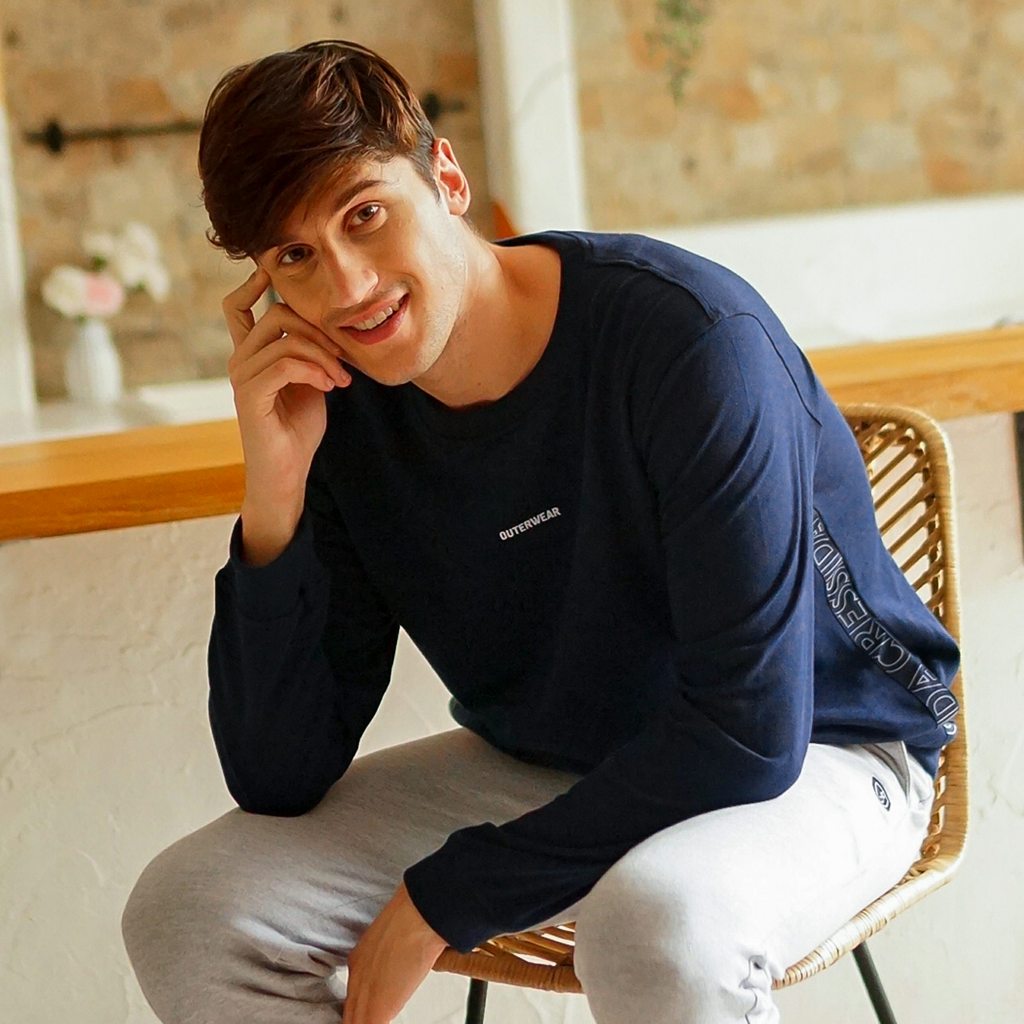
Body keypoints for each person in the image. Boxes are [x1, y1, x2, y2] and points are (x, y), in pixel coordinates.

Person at [120, 39, 960, 1024]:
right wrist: (275, 491)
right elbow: (278, 774)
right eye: (294, 257)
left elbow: (748, 729)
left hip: (821, 748)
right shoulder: (341, 408)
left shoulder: (688, 340)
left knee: (658, 923)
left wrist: (448, 894)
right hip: (554, 762)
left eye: (365, 215)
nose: (347, 287)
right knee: (190, 909)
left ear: (446, 178)